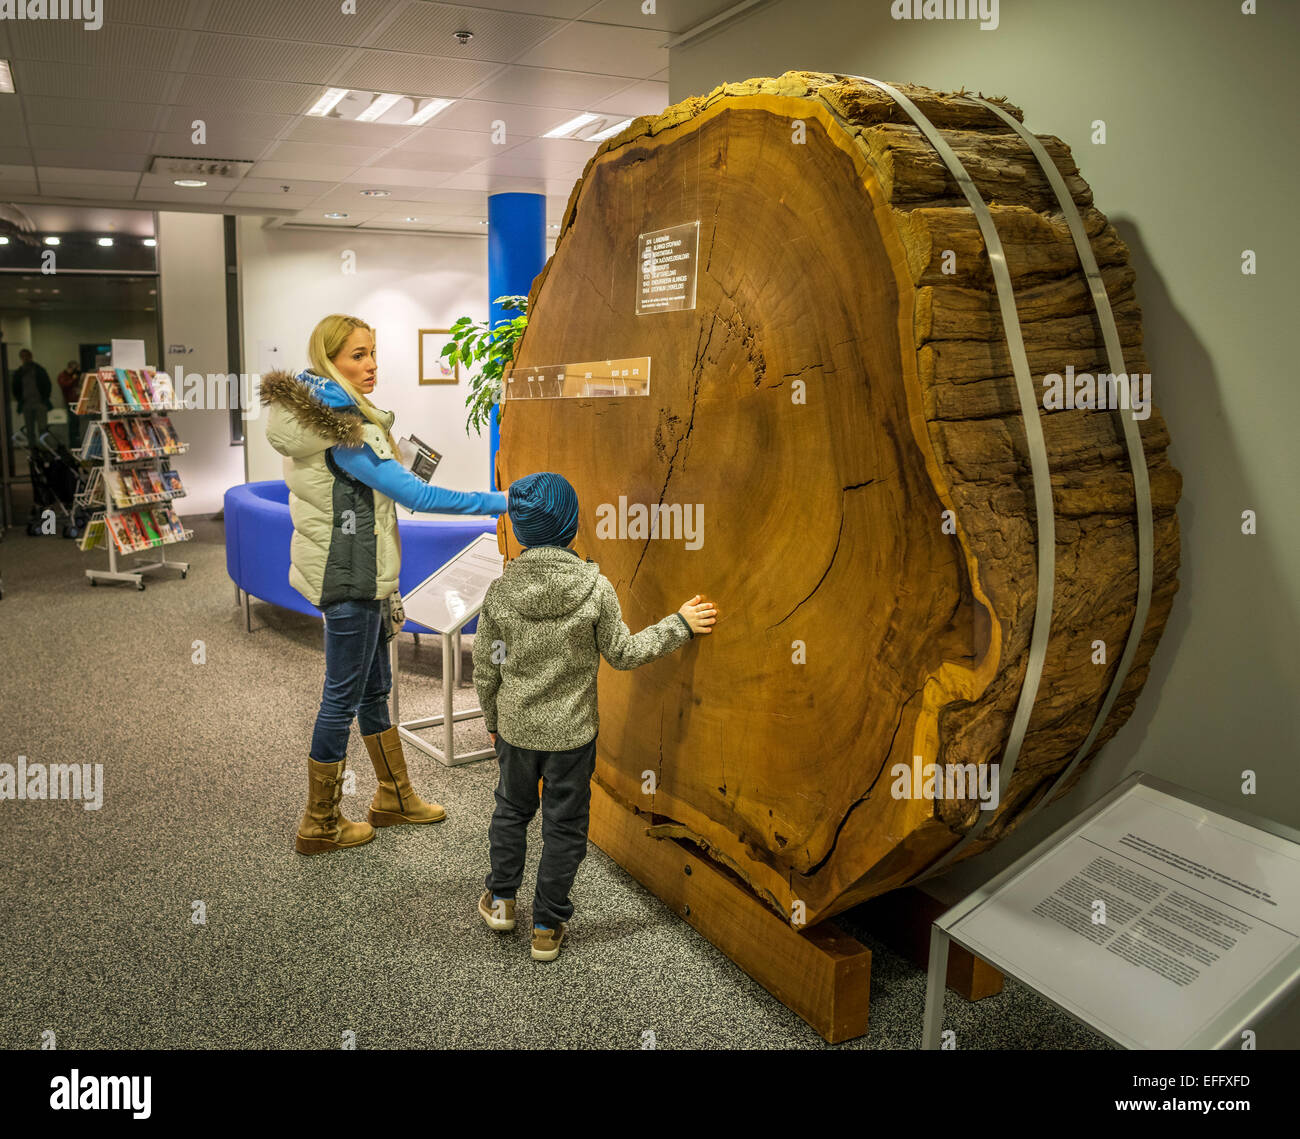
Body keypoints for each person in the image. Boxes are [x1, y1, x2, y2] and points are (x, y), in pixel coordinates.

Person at [261, 313, 508, 856]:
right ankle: (319, 821)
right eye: (356, 355)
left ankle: (394, 796)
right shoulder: (339, 428)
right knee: (340, 697)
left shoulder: (333, 417)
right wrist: (499, 501)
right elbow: (415, 496)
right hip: (348, 574)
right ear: (330, 361)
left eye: (373, 352)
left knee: (374, 689)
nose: (370, 365)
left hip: (360, 572)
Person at [472, 471, 718, 961]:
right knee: (564, 827)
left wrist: (493, 718)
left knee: (511, 812)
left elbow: (487, 666)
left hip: (516, 733)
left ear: (518, 528)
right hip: (572, 737)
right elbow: (623, 653)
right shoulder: (596, 589)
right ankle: (547, 925)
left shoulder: (500, 593)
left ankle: (501, 902)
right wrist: (679, 626)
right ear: (571, 524)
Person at [13, 349, 52, 448]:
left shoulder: (39, 370)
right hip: (27, 403)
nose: (25, 359)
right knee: (30, 429)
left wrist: (44, 398)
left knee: (42, 427)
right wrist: (20, 400)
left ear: (31, 356)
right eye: (23, 357)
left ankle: (45, 448)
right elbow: (15, 387)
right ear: (21, 358)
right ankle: (33, 449)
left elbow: (47, 384)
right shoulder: (19, 372)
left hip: (39, 402)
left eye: (27, 356)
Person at [55, 361, 83, 449]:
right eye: (75, 369)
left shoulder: (74, 376)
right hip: (70, 402)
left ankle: (77, 442)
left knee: (76, 423)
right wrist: (73, 378)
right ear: (71, 368)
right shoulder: (63, 376)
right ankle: (73, 444)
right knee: (73, 423)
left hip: (77, 401)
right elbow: (64, 385)